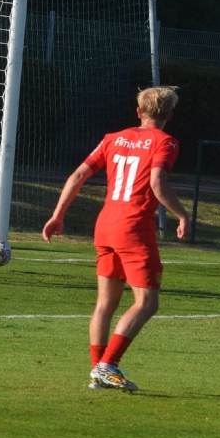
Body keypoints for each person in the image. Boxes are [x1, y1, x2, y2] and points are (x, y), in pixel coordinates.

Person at [41, 87, 189, 391]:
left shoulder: (113, 138)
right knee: (147, 302)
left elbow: (78, 175)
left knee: (105, 303)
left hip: (105, 225)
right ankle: (107, 365)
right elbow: (157, 183)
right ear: (170, 115)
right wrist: (183, 214)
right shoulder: (166, 141)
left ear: (139, 112)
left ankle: (98, 372)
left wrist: (57, 215)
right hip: (133, 228)